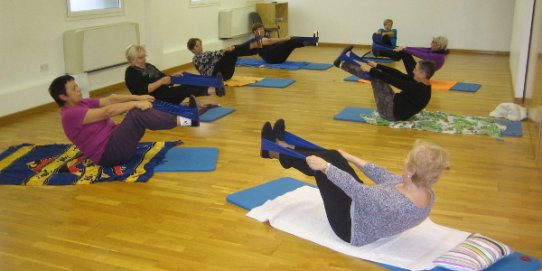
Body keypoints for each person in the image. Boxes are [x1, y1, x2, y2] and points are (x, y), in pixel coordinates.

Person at [260, 119, 450, 246]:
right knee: (333, 155)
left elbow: (355, 190)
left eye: (407, 160)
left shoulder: (392, 201)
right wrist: (350, 157)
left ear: (411, 171)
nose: (404, 161)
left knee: (325, 167)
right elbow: (384, 176)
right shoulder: (424, 190)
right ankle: (283, 147)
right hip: (365, 209)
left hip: (350, 225)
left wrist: (326, 168)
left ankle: (275, 151)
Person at [49, 75, 198, 166]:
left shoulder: (82, 103)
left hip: (115, 142)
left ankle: (186, 114)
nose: (79, 89)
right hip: (109, 154)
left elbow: (111, 99)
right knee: (136, 114)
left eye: (77, 86)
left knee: (142, 109)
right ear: (63, 97)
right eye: (74, 89)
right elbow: (107, 111)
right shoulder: (70, 115)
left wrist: (138, 97)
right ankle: (188, 119)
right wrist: (135, 103)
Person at [334, 46, 436, 121]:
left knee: (376, 78)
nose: (413, 71)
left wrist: (372, 70)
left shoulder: (419, 89)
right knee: (379, 74)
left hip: (389, 112)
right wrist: (377, 66)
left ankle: (341, 63)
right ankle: (348, 58)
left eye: (416, 69)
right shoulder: (422, 83)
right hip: (394, 102)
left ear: (423, 74)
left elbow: (393, 80)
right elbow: (398, 75)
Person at [124, 44, 223, 114]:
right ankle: (215, 90)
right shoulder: (131, 73)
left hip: (165, 90)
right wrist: (161, 82)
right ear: (132, 59)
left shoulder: (148, 66)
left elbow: (162, 76)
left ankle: (215, 83)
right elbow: (144, 91)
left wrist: (173, 75)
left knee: (184, 75)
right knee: (185, 89)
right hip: (155, 99)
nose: (144, 59)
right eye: (141, 58)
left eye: (144, 56)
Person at [187, 37, 262, 81]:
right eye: (197, 46)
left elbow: (215, 55)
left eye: (200, 45)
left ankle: (256, 49)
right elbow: (213, 55)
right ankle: (254, 48)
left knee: (233, 51)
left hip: (225, 74)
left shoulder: (205, 53)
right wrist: (225, 50)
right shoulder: (196, 59)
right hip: (215, 76)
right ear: (192, 49)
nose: (200, 47)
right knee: (232, 50)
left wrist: (227, 50)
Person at [373, 36, 449, 74]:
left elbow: (421, 54)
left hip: (419, 76)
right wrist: (406, 47)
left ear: (438, 45)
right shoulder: (436, 51)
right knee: (403, 51)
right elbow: (421, 50)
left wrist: (405, 49)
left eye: (433, 42)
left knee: (403, 53)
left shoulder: (438, 56)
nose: (431, 43)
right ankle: (380, 51)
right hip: (420, 71)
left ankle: (380, 52)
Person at [250, 23, 319, 64]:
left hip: (276, 56)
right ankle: (313, 41)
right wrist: (285, 38)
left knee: (292, 40)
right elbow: (269, 41)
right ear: (254, 31)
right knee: (290, 41)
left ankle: (312, 42)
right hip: (272, 59)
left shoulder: (264, 37)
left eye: (262, 29)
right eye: (259, 29)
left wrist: (286, 38)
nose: (262, 30)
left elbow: (274, 42)